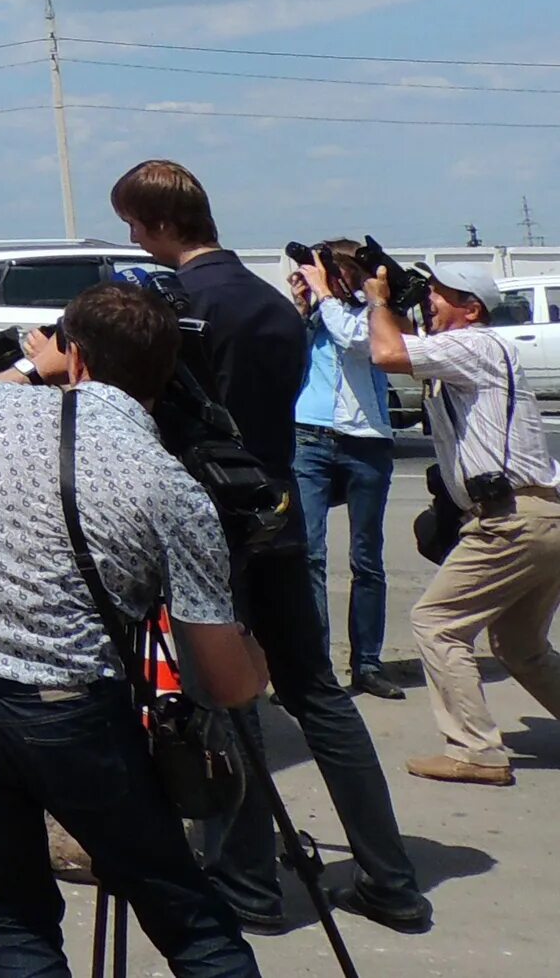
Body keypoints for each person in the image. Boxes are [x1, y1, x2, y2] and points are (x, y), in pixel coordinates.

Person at [0, 280, 267, 978]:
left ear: (75, 359)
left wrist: (26, 368)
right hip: (66, 713)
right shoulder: (170, 486)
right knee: (191, 921)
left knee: (15, 919)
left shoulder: (3, 413)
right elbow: (224, 683)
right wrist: (261, 657)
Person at [113, 160, 429, 935]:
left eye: (134, 222)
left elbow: (159, 421)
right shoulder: (270, 303)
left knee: (228, 700)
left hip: (211, 529)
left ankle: (245, 884)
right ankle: (391, 877)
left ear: (158, 225)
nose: (131, 236)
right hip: (280, 510)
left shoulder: (177, 305)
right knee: (317, 695)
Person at [365, 256, 560, 786]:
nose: (430, 298)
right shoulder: (470, 350)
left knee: (437, 624)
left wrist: (378, 301)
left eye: (441, 293)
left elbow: (386, 351)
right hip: (539, 514)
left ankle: (477, 752)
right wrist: (397, 300)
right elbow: (407, 348)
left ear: (471, 309)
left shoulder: (472, 345)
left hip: (511, 520)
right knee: (521, 646)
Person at [289, 239, 400, 697]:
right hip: (309, 435)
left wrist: (329, 297)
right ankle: (315, 667)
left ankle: (368, 664)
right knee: (309, 555)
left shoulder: (374, 312)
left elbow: (361, 343)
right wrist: (299, 309)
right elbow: (280, 357)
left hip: (367, 441)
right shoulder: (316, 314)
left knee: (366, 558)